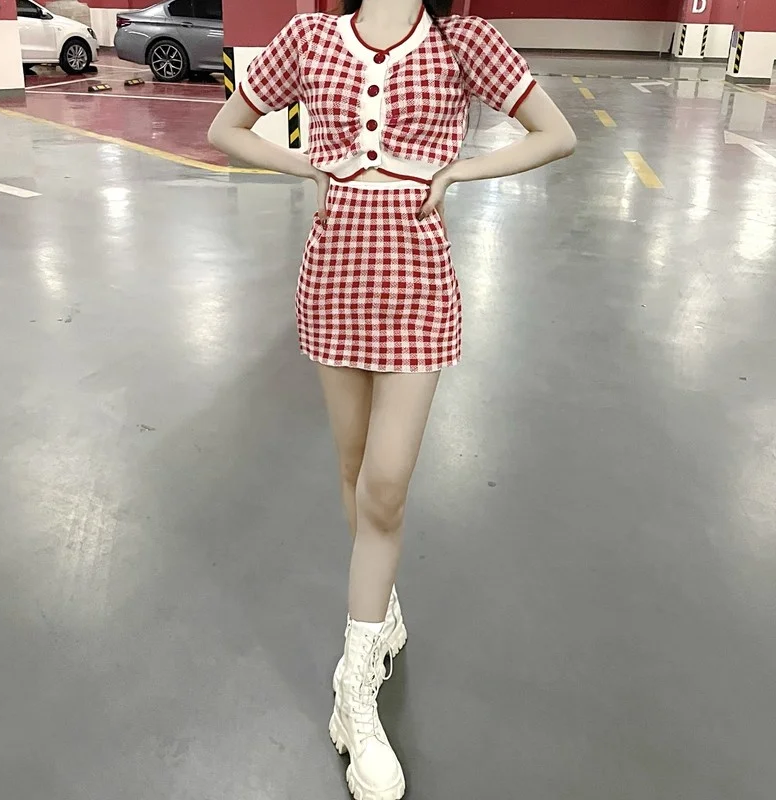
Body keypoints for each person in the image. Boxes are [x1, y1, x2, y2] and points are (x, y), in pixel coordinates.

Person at [208, 0, 575, 797]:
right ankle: (381, 616)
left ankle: (355, 692)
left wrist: (457, 170)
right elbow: (226, 128)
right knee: (352, 468)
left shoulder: (462, 40)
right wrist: (307, 166)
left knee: (386, 485)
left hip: (418, 285)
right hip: (334, 280)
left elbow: (556, 133)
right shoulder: (309, 37)